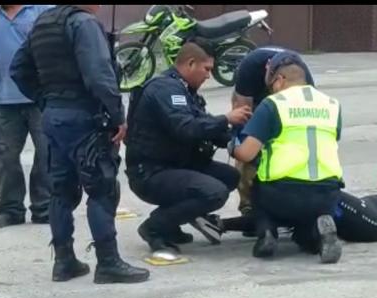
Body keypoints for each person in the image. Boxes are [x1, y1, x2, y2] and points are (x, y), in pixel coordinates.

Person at [10, 5, 150, 284]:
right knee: (102, 188)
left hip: (53, 118)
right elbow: (99, 74)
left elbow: (17, 69)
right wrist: (118, 115)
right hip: (85, 117)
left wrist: (46, 100)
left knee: (60, 191)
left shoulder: (43, 23)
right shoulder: (83, 24)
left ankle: (64, 262)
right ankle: (108, 263)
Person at [124, 38, 252, 252]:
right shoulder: (166, 90)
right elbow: (186, 128)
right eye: (206, 69)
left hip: (176, 165)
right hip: (151, 172)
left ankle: (171, 223)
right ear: (190, 63)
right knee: (214, 192)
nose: (208, 75)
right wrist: (226, 118)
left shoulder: (185, 91)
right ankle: (154, 227)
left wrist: (242, 138)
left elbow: (205, 126)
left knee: (230, 176)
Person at [228, 51, 344, 263]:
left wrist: (231, 142)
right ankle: (318, 234)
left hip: (280, 195)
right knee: (304, 232)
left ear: (280, 80)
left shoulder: (273, 104)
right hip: (327, 195)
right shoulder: (332, 104)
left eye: (271, 83)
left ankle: (267, 232)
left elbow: (246, 153)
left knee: (259, 193)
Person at [223, 47, 316, 236]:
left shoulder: (304, 79)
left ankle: (286, 207)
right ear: (268, 72)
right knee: (248, 150)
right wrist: (241, 143)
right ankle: (249, 209)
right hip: (253, 103)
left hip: (288, 105)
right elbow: (243, 115)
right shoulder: (250, 68)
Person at [0, 5, 53, 229]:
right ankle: (10, 209)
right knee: (4, 156)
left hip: (39, 98)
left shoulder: (42, 11)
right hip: (3, 100)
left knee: (47, 152)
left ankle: (44, 207)